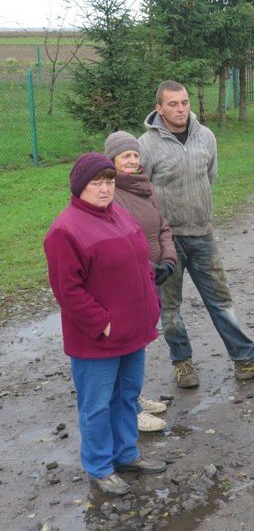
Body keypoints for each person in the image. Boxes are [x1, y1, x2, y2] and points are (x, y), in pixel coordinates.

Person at [139, 80, 254, 388]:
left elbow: (210, 176)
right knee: (170, 308)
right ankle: (183, 363)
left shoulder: (206, 136)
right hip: (166, 241)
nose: (180, 109)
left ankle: (245, 361)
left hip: (202, 234)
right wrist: (157, 236)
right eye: (173, 104)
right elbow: (143, 192)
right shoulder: (146, 146)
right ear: (159, 108)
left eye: (184, 102)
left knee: (221, 300)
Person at [44, 153, 168, 496]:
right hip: (97, 339)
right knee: (97, 404)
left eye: (109, 181)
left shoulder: (120, 214)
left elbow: (142, 263)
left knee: (127, 396)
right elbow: (67, 290)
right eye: (96, 183)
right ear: (79, 187)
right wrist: (102, 324)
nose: (104, 189)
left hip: (134, 331)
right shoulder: (65, 230)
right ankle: (99, 467)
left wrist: (151, 306)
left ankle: (126, 453)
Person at [104, 130, 177, 433]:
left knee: (141, 339)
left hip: (153, 275)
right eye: (125, 156)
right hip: (129, 279)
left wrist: (169, 259)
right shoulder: (110, 192)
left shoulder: (145, 187)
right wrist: (148, 267)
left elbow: (162, 225)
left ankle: (132, 396)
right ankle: (129, 409)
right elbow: (118, 239)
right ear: (111, 161)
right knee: (126, 341)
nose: (133, 161)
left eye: (135, 155)